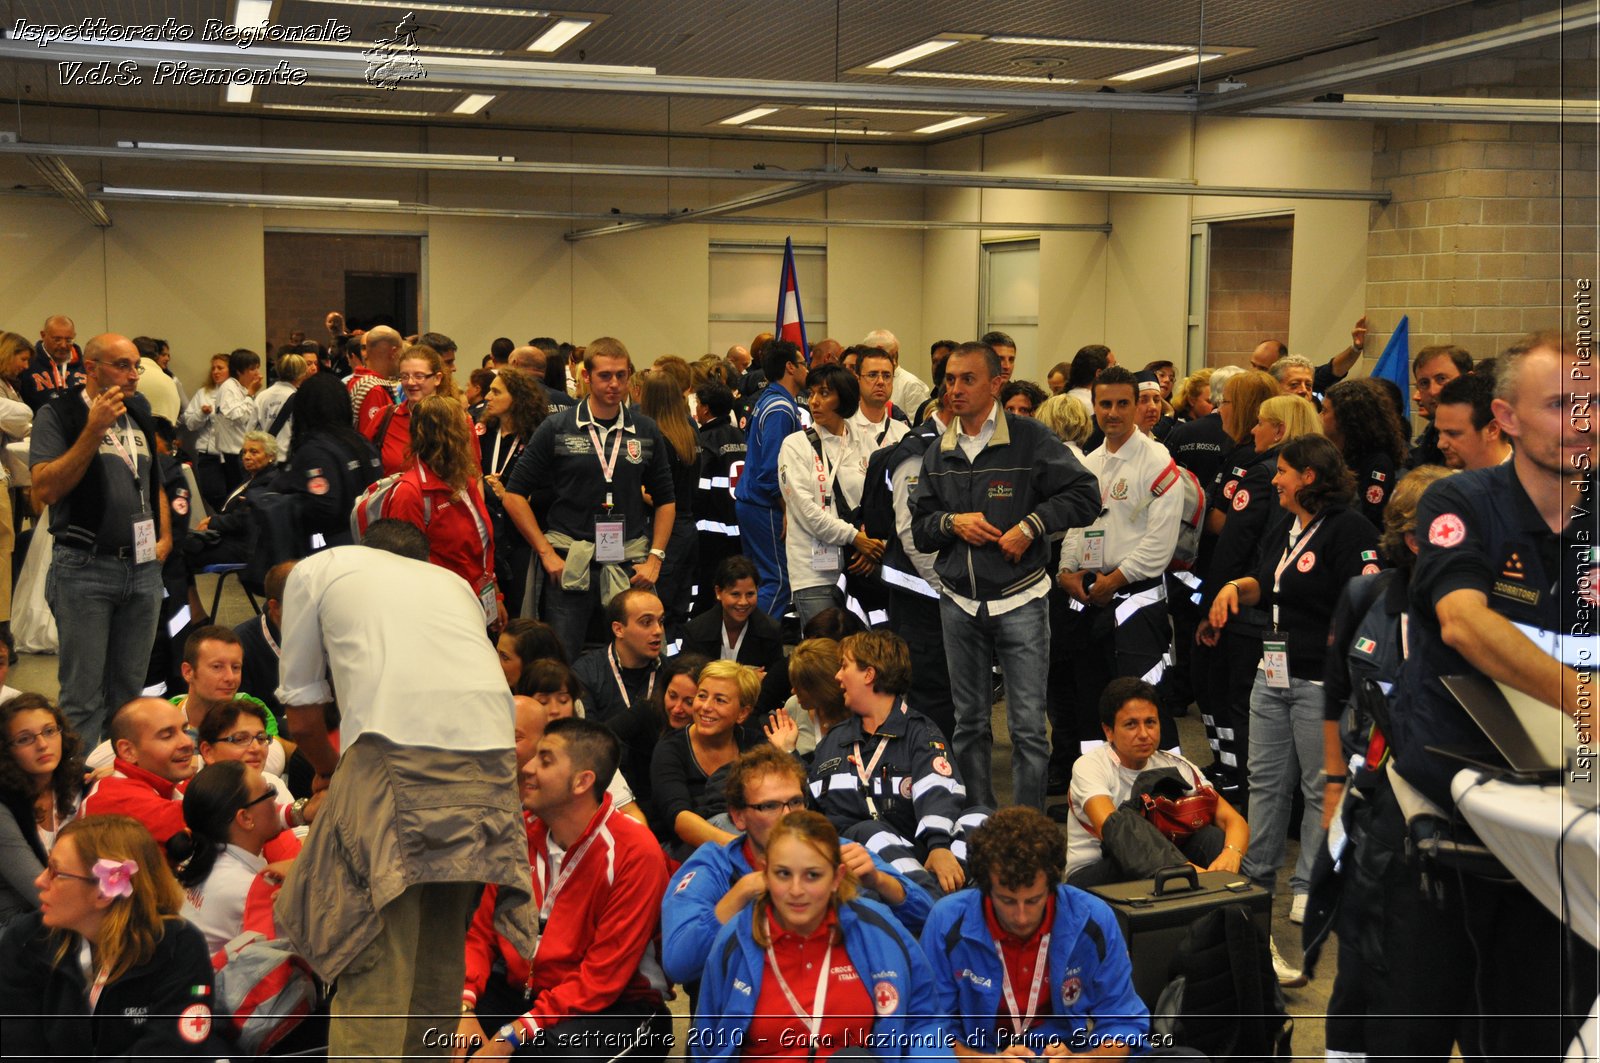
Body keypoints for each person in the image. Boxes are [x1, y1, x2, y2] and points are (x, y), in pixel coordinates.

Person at [1369, 332, 1596, 1059]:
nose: (1584, 420)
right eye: (1561, 403)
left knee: (1535, 1042)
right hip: (1451, 825)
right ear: (1507, 417)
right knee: (1411, 1037)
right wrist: (1585, 700)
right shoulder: (1461, 500)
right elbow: (1464, 622)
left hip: (1563, 841)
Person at [272, 520, 535, 1060]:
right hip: (491, 768)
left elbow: (300, 719)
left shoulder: (317, 569)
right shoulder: (455, 584)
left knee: (376, 967)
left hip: (395, 758)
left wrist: (325, 772)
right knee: (438, 966)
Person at [913, 341, 1100, 812]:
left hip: (1021, 600)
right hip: (959, 603)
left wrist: (1031, 526)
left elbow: (1086, 494)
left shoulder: (1031, 439)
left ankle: (1029, 827)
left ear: (996, 384)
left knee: (1028, 729)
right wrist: (951, 523)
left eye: (967, 379)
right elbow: (921, 529)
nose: (955, 389)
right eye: (950, 380)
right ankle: (980, 821)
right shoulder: (939, 450)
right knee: (969, 724)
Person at [1203, 435, 1378, 927]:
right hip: (1272, 674)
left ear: (1309, 477)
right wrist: (1234, 587)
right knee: (1265, 782)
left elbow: (1364, 602)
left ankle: (1312, 885)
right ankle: (1256, 880)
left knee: (1321, 788)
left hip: (1321, 683)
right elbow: (1266, 581)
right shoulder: (1287, 523)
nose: (1274, 479)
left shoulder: (1350, 530)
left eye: (1282, 471)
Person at [1315, 464, 1455, 1060]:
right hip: (1367, 802)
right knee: (1356, 965)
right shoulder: (1366, 595)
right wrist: (1331, 783)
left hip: (1438, 810)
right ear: (1414, 537)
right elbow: (1334, 693)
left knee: (1414, 968)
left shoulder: (1471, 611)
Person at [458, 716, 672, 1061]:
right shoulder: (517, 835)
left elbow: (602, 978)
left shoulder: (635, 851)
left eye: (545, 760)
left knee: (540, 1056)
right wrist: (465, 1008)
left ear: (581, 782)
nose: (526, 768)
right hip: (527, 992)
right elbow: (480, 933)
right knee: (437, 1035)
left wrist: (510, 1036)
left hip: (617, 1006)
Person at [662, 745, 933, 987]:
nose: (788, 816)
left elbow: (928, 919)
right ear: (738, 817)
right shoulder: (713, 866)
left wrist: (880, 881)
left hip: (834, 999)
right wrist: (740, 894)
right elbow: (678, 965)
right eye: (769, 806)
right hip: (742, 1012)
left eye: (795, 802)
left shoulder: (834, 851)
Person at [692, 809, 943, 1062]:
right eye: (783, 874)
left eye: (813, 875)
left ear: (836, 877)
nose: (796, 890)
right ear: (765, 872)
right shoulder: (734, 941)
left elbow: (924, 1022)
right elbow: (705, 1046)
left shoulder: (879, 929)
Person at [31, 333, 171, 746]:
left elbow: (153, 479)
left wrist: (164, 538)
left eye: (136, 366)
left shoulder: (139, 410)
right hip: (86, 569)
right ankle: (79, 795)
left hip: (143, 568)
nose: (133, 376)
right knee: (83, 696)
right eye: (122, 366)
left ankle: (122, 789)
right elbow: (45, 489)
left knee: (130, 695)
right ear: (91, 368)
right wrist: (93, 430)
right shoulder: (59, 414)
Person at [921, 806, 1149, 1059]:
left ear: (1053, 885)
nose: (1021, 917)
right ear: (985, 887)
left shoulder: (1092, 918)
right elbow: (927, 1028)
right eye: (1007, 901)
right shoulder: (947, 921)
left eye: (1033, 900)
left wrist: (1088, 1058)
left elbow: (1125, 1024)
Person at [502, 337, 677, 659]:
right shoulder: (558, 427)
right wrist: (545, 552)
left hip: (628, 564)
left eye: (621, 376)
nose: (614, 384)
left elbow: (666, 499)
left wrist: (655, 558)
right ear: (587, 377)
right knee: (564, 659)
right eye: (605, 376)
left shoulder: (645, 430)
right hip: (570, 563)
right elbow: (514, 494)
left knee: (634, 657)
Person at [0, 814, 223, 1057]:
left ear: (104, 893)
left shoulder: (179, 947)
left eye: (56, 873)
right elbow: (18, 1047)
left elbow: (172, 1050)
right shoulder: (26, 939)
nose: (40, 881)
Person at [1056, 365, 1185, 778]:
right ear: (1093, 406)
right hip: (1090, 597)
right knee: (1093, 700)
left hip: (1136, 600)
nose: (1113, 413)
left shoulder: (1158, 461)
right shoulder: (1091, 462)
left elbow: (1160, 543)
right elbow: (1078, 524)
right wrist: (1066, 571)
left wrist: (1116, 579)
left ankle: (1164, 790)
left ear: (1139, 406)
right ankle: (1097, 791)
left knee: (1143, 701)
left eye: (1122, 404)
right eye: (1105, 404)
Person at [809, 631, 985, 897]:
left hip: (921, 849)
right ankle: (932, 903)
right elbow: (810, 805)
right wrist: (788, 754)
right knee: (869, 831)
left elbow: (938, 789)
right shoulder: (835, 740)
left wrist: (938, 846)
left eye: (844, 666)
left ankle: (937, 890)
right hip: (863, 858)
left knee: (983, 818)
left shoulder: (920, 731)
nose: (837, 677)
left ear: (869, 674)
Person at [373, 395, 502, 628]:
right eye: (464, 427)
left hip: (476, 604)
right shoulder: (410, 493)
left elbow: (480, 548)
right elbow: (403, 571)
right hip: (443, 615)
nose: (470, 433)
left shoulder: (466, 481)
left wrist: (495, 596)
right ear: (448, 437)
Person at [781, 363, 885, 627]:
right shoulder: (795, 445)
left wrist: (871, 542)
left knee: (862, 654)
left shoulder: (865, 443)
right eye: (812, 393)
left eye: (824, 393)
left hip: (860, 567)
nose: (814, 401)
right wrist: (855, 538)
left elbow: (880, 502)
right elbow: (806, 511)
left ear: (844, 398)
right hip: (815, 572)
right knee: (824, 658)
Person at [167, 760, 288, 952]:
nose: (276, 801)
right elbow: (308, 950)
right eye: (269, 792)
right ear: (245, 818)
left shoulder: (197, 857)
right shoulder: (250, 889)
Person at [650, 659, 763, 859]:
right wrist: (741, 849)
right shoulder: (671, 748)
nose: (705, 707)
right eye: (702, 696)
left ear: (743, 713)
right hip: (683, 849)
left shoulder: (755, 745)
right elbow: (680, 819)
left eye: (720, 700)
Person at [734, 339, 808, 619]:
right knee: (777, 581)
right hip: (764, 505)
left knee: (756, 583)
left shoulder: (769, 399)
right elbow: (770, 470)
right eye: (803, 363)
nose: (806, 369)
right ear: (790, 367)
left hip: (752, 503)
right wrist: (787, 508)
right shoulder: (780, 409)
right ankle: (753, 644)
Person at [0, 694, 83, 931]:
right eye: (25, 739)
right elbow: (39, 890)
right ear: (5, 751)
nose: (43, 745)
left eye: (49, 731)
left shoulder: (79, 780)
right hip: (12, 919)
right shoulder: (3, 804)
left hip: (64, 907)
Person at [281, 371, 384, 553]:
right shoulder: (363, 444)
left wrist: (280, 502)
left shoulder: (315, 450)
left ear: (304, 407)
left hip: (327, 546)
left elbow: (322, 508)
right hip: (368, 540)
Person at [479, 369, 548, 617]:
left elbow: (552, 489)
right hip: (486, 536)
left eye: (496, 391)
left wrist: (511, 494)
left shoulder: (538, 437)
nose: (488, 396)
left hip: (520, 538)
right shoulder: (482, 433)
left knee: (519, 608)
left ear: (517, 398)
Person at [638, 372, 701, 634]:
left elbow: (660, 497)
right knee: (678, 608)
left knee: (656, 606)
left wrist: (634, 491)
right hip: (688, 529)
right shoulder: (690, 435)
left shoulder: (659, 440)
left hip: (665, 532)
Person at [690, 377, 747, 617]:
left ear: (704, 408)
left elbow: (699, 490)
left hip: (713, 532)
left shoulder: (704, 442)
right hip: (742, 528)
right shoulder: (742, 436)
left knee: (711, 588)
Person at [184, 429, 280, 570]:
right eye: (244, 452)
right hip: (231, 539)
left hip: (246, 546)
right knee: (183, 548)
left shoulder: (270, 482)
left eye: (254, 452)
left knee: (183, 556)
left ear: (270, 456)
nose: (246, 457)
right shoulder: (250, 478)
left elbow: (245, 518)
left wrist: (213, 521)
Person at [1322, 378, 1408, 530]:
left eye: (1325, 410)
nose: (1320, 415)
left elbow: (1368, 516)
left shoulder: (1377, 462)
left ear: (1344, 418)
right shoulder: (1335, 455)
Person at [183, 349, 260, 512]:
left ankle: (228, 520)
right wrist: (201, 413)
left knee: (236, 493)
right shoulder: (211, 391)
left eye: (220, 368)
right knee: (215, 493)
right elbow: (190, 423)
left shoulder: (240, 390)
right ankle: (225, 518)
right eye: (213, 368)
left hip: (234, 452)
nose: (216, 372)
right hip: (212, 453)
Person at [681, 555, 786, 672]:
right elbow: (687, 680)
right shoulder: (695, 632)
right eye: (735, 594)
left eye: (750, 594)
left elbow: (776, 683)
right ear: (718, 592)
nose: (743, 602)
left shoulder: (770, 631)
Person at [1248, 315, 1367, 396]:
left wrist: (1356, 348)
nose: (1254, 372)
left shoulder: (1302, 380)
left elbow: (1334, 369)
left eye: (1263, 368)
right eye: (1253, 365)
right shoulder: (1243, 390)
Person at [1405, 343, 1473, 467]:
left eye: (1441, 379)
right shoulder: (1427, 444)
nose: (1433, 391)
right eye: (1424, 383)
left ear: (1469, 379)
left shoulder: (1494, 434)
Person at [1432, 371, 1512, 470]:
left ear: (1492, 429)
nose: (1440, 444)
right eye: (1439, 432)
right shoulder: (1445, 482)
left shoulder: (1529, 482)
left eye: (1453, 433)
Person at [18, 314, 86, 411]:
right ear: (43, 335)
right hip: (39, 424)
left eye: (69, 340)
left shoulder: (86, 365)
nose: (63, 345)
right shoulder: (27, 364)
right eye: (57, 340)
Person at [850, 346, 912, 445]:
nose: (880, 382)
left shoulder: (903, 434)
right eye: (872, 375)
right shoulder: (844, 428)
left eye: (887, 376)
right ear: (858, 380)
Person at [347, 324, 403, 429]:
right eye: (401, 353)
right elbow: (371, 438)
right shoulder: (374, 390)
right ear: (393, 352)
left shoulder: (354, 380)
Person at [863, 328, 931, 415]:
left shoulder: (911, 385)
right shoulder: (863, 380)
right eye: (891, 356)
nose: (894, 362)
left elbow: (919, 425)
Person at [256, 352, 308, 461]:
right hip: (289, 459)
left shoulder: (261, 396)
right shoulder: (301, 399)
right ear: (301, 374)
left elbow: (251, 430)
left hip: (266, 458)